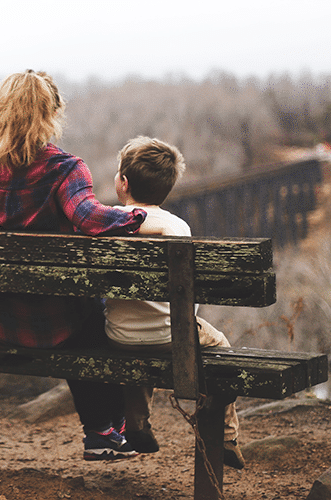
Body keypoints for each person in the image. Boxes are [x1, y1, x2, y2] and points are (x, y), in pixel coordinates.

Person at [0, 69, 147, 460]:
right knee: (98, 318)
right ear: (52, 115)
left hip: (4, 321)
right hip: (62, 323)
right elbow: (89, 218)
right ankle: (105, 430)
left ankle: (107, 431)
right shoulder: (64, 169)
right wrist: (137, 216)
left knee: (86, 316)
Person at [104, 135, 245, 469]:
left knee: (137, 340)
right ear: (166, 189)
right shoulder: (177, 226)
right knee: (221, 346)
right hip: (172, 336)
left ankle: (137, 424)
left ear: (123, 183)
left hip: (118, 336)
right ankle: (226, 436)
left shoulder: (106, 222)